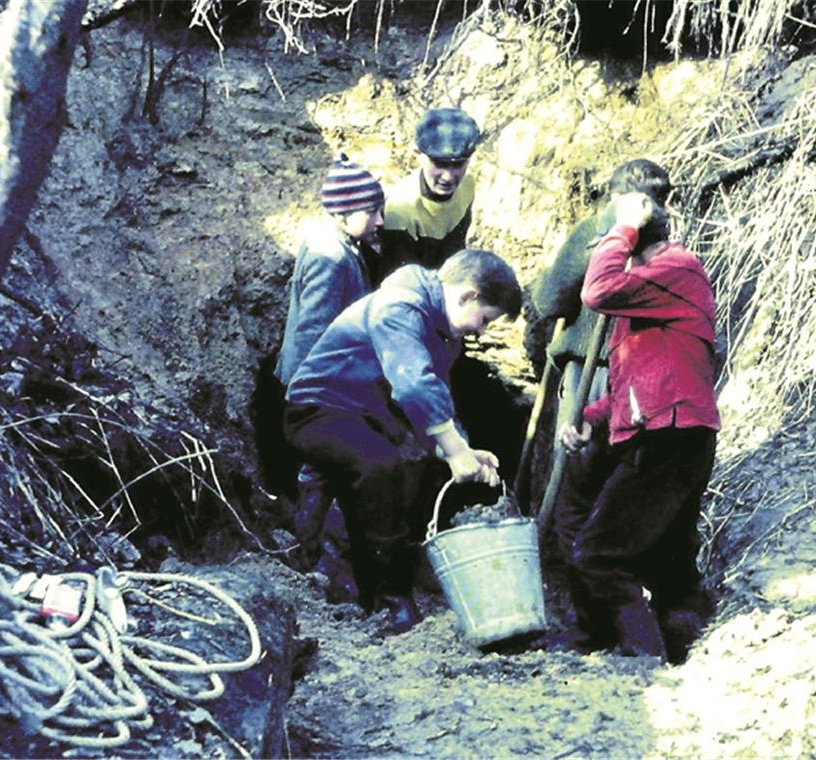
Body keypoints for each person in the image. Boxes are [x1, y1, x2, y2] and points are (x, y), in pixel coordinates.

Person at [284, 249, 521, 633]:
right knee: (379, 466)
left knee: (405, 465)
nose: (482, 331)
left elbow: (435, 396)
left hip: (368, 413)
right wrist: (454, 451)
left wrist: (460, 448)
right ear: (467, 295)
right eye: (486, 320)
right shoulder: (401, 305)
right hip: (317, 409)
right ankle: (389, 597)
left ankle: (360, 576)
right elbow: (411, 384)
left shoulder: (442, 328)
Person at [554, 191, 720, 663]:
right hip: (669, 431)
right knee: (666, 561)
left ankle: (640, 654)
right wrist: (588, 419)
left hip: (670, 437)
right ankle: (660, 643)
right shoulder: (652, 300)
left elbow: (596, 291)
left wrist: (621, 227)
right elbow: (636, 384)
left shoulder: (679, 267)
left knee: (598, 553)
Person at [529, 159, 672, 588]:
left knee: (571, 470)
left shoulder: (596, 231)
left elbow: (550, 299)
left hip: (590, 374)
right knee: (612, 478)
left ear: (614, 196)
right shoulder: (669, 245)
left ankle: (561, 574)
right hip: (640, 378)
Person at [273, 156, 386, 577]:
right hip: (319, 385)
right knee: (319, 469)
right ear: (343, 211)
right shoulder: (329, 256)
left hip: (325, 383)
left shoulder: (338, 243)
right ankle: (305, 555)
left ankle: (311, 553)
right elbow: (313, 331)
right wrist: (316, 393)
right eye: (371, 212)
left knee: (322, 470)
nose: (379, 220)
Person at [378, 107, 480, 278]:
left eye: (458, 165)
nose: (448, 177)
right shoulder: (400, 209)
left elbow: (456, 249)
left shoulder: (467, 186)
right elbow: (400, 281)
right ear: (420, 155)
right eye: (439, 164)